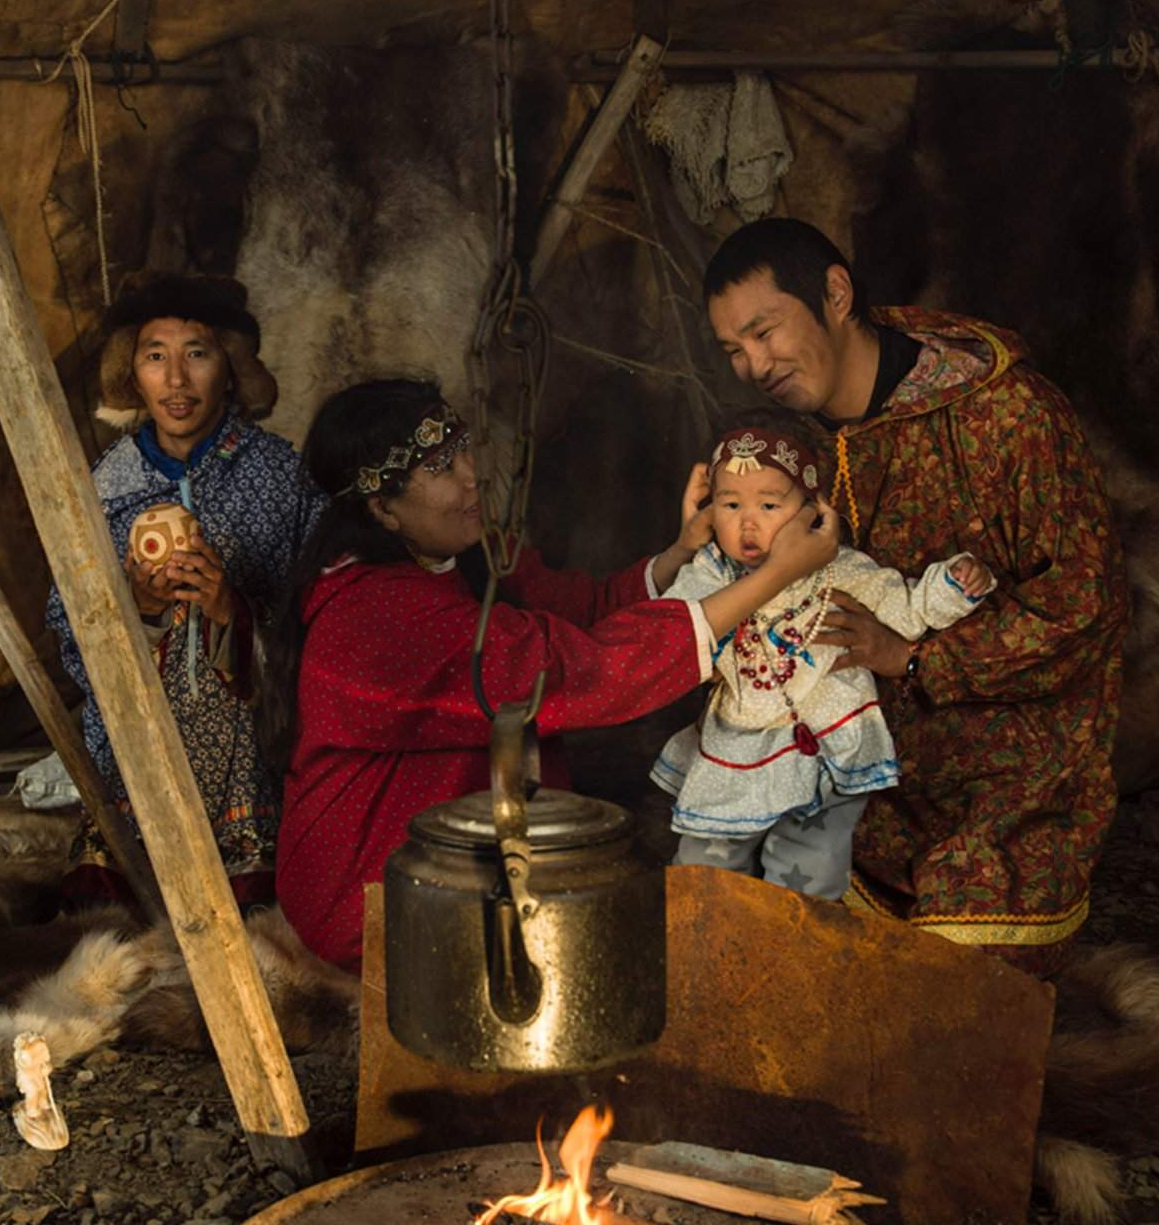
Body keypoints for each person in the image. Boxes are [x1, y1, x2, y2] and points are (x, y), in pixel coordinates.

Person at [264, 378, 841, 971]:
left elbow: (578, 613)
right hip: (372, 892)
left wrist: (680, 554)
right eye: (440, 467)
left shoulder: (455, 554)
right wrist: (772, 578)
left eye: (463, 447)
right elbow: (579, 669)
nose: (471, 476)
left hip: (454, 856)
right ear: (382, 508)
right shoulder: (373, 616)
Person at [702, 217, 1128, 975]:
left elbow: (1083, 608)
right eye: (735, 350)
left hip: (1006, 785)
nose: (754, 365)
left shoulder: (1006, 416)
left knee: (938, 1000)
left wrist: (911, 657)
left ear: (835, 293)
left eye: (765, 332)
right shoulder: (781, 444)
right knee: (755, 956)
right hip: (855, 780)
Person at [46, 274, 326, 905]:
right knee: (109, 935)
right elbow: (67, 628)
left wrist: (233, 613)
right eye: (155, 357)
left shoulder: (280, 477)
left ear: (229, 366)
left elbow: (323, 615)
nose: (176, 381)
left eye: (196, 353)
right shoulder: (103, 487)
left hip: (248, 769)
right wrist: (139, 612)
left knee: (265, 936)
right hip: (140, 763)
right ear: (132, 373)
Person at [653, 410, 994, 899]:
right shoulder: (710, 575)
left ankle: (798, 956)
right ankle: (707, 955)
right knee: (706, 868)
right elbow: (673, 628)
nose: (747, 522)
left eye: (769, 505)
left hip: (828, 748)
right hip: (736, 746)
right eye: (730, 505)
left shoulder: (840, 570)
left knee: (809, 871)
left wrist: (953, 584)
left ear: (813, 510)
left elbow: (905, 607)